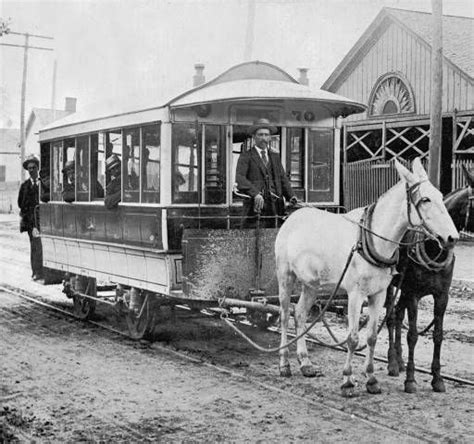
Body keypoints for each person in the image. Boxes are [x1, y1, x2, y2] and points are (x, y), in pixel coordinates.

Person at [235, 118, 297, 228]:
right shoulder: (246, 156)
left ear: (270, 137)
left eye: (266, 135)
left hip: (276, 207)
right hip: (255, 207)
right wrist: (255, 194)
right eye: (260, 135)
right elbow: (240, 179)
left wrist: (291, 196)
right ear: (254, 137)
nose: (264, 138)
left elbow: (283, 179)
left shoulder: (275, 157)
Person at [18, 154, 43, 280]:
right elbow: (20, 203)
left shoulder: (43, 184)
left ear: (37, 168)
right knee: (35, 246)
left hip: (43, 220)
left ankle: (42, 270)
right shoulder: (25, 186)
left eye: (33, 168)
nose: (31, 170)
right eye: (29, 169)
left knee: (42, 246)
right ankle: (36, 271)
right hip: (31, 222)